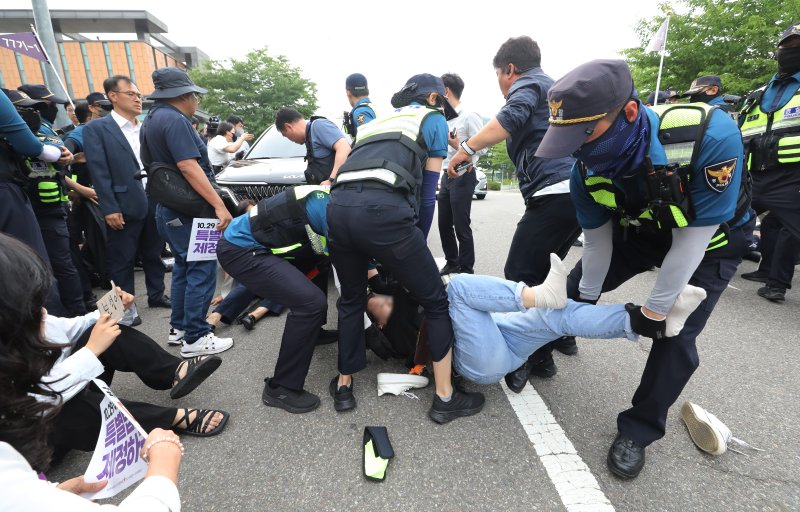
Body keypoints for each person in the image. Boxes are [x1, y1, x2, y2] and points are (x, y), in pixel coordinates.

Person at [535, 59, 753, 479]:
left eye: (585, 135)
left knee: (674, 334)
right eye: (568, 139)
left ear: (629, 114)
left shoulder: (708, 134)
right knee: (575, 287)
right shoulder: (586, 171)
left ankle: (638, 430)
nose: (577, 150)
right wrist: (580, 305)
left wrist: (654, 312)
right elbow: (597, 244)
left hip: (709, 243)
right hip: (644, 232)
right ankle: (537, 348)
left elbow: (691, 243)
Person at [328, 73, 484, 423]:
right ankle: (445, 398)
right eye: (441, 103)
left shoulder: (375, 122)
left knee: (351, 300)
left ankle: (344, 386)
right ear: (433, 99)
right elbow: (428, 198)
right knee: (435, 300)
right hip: (384, 215)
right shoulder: (432, 121)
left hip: (336, 211)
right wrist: (411, 247)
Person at [0, 233, 184, 511]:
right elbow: (36, 401)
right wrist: (163, 464)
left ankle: (177, 371)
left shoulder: (22, 327)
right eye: (35, 308)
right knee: (68, 401)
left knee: (103, 330)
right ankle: (174, 418)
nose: (44, 314)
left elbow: (71, 326)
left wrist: (112, 306)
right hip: (48, 434)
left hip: (33, 453)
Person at [447, 36, 581, 390]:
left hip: (552, 192)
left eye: (500, 78)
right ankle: (559, 338)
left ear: (509, 69)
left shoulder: (529, 83)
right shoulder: (554, 89)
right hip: (575, 195)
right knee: (549, 270)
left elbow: (510, 116)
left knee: (519, 274)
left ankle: (532, 357)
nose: (504, 88)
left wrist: (466, 149)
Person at [215, 185, 335, 413]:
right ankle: (281, 388)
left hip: (263, 245)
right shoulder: (330, 209)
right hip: (241, 250)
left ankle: (313, 333)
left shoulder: (334, 196)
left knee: (320, 264)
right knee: (310, 303)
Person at [142, 67, 234, 357]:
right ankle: (196, 336)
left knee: (183, 266)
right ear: (183, 95)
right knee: (202, 268)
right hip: (191, 210)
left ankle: (179, 328)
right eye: (194, 95)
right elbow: (188, 166)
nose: (196, 100)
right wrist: (219, 205)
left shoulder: (153, 118)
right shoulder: (176, 120)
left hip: (169, 208)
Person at [84, 75, 170, 328]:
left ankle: (156, 295)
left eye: (139, 95)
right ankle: (120, 311)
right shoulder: (97, 129)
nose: (137, 98)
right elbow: (99, 172)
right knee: (121, 259)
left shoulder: (145, 127)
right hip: (122, 203)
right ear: (113, 96)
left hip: (154, 197)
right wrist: (109, 207)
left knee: (154, 252)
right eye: (131, 94)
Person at [739, 22, 800, 302]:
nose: (791, 51)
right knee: (725, 220)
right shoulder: (758, 94)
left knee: (791, 232)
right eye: (787, 45)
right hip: (753, 175)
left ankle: (777, 284)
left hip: (792, 177)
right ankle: (704, 271)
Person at [16, 85, 89, 317]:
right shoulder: (17, 134)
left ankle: (76, 313)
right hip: (31, 205)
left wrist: (62, 156)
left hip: (50, 207)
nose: (42, 111)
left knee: (62, 263)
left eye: (40, 107)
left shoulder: (43, 130)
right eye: (31, 108)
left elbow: (60, 155)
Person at [0, 89, 72, 316]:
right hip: (7, 194)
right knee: (31, 266)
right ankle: (48, 336)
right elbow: (31, 146)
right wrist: (53, 153)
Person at [437, 73, 485, 275]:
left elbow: (483, 148)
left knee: (461, 225)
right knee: (443, 223)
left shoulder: (469, 116)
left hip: (464, 173)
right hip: (446, 175)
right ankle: (452, 262)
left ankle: (466, 270)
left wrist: (459, 146)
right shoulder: (443, 119)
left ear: (446, 91)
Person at [275, 107, 351, 186]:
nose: (290, 140)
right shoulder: (309, 136)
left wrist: (331, 180)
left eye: (286, 135)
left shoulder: (318, 125)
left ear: (288, 127)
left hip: (339, 190)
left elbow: (344, 148)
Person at [343, 73, 376, 138]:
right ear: (368, 91)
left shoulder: (360, 112)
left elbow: (369, 140)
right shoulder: (374, 109)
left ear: (348, 92)